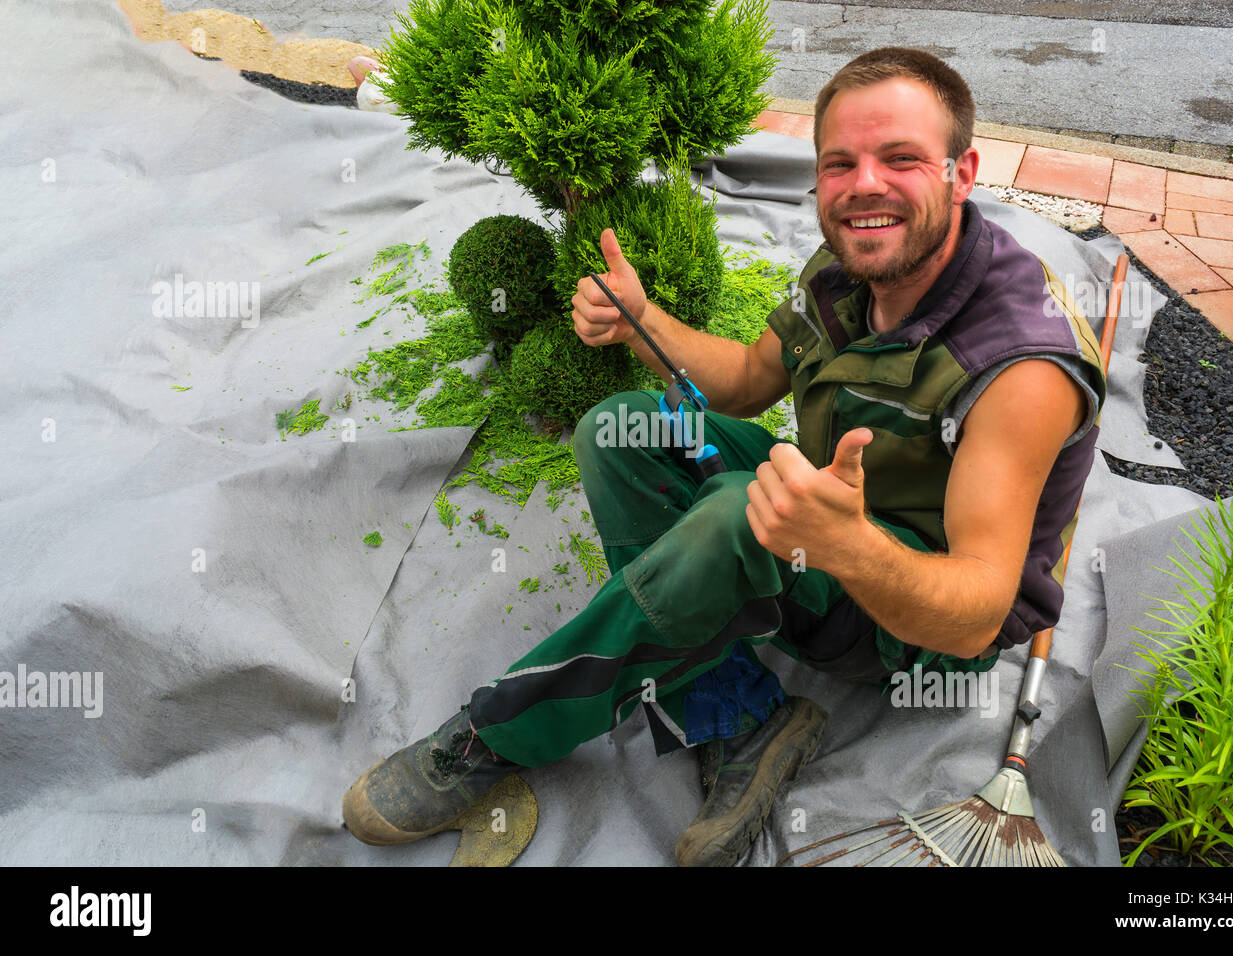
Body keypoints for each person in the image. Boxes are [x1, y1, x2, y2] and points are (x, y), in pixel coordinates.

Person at [341, 46, 1107, 866]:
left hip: (908, 624)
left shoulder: (1020, 367)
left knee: (740, 518)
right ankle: (740, 712)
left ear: (963, 172)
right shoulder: (850, 265)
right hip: (832, 509)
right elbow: (746, 380)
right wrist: (642, 319)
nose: (866, 186)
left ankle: (498, 736)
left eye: (901, 159)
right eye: (839, 163)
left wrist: (846, 543)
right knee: (619, 432)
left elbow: (975, 617)